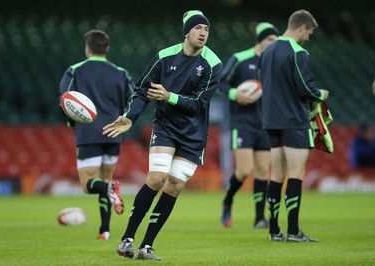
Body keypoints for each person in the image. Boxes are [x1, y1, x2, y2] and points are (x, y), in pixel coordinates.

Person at [103, 10, 222, 260]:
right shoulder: (164, 57)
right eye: (198, 28)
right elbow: (142, 90)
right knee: (157, 178)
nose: (203, 33)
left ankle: (147, 246)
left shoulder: (213, 64)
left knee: (175, 186)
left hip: (194, 133)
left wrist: (170, 96)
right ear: (187, 32)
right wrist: (130, 117)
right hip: (166, 126)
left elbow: (199, 103)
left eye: (207, 29)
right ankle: (127, 238)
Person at [259, 10, 329, 242]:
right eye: (308, 32)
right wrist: (321, 94)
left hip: (271, 120)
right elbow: (305, 88)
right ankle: (293, 231)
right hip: (294, 121)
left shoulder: (267, 52)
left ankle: (273, 232)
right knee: (296, 173)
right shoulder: (297, 52)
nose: (307, 38)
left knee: (276, 175)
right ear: (302, 28)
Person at [59, 29, 134, 240]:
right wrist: (124, 123)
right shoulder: (122, 73)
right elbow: (134, 101)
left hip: (88, 133)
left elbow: (65, 100)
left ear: (87, 48)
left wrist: (72, 124)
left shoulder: (75, 70)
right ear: (107, 48)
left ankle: (111, 192)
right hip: (114, 133)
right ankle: (105, 230)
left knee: (88, 184)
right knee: (106, 180)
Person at [219, 22, 278, 229]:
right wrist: (236, 94)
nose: (272, 43)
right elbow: (220, 81)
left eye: (275, 41)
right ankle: (227, 200)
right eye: (270, 39)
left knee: (263, 171)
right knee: (245, 170)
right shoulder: (240, 58)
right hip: (242, 123)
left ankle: (259, 218)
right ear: (260, 40)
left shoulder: (274, 63)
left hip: (265, 123)